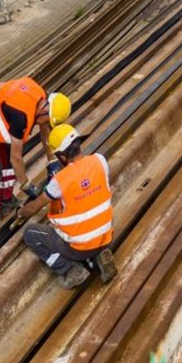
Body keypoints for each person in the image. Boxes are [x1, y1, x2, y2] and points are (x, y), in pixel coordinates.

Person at [0, 78, 71, 230]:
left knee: (7, 164)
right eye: (47, 120)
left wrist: (52, 161)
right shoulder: (21, 117)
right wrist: (26, 185)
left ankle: (6, 201)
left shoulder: (43, 100)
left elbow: (45, 131)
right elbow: (16, 158)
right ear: (45, 111)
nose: (44, 123)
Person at [20, 123, 116, 289]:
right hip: (106, 236)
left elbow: (35, 207)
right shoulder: (100, 160)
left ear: (62, 156)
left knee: (30, 234)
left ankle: (70, 269)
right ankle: (99, 255)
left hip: (79, 247)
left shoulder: (59, 180)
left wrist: (21, 211)